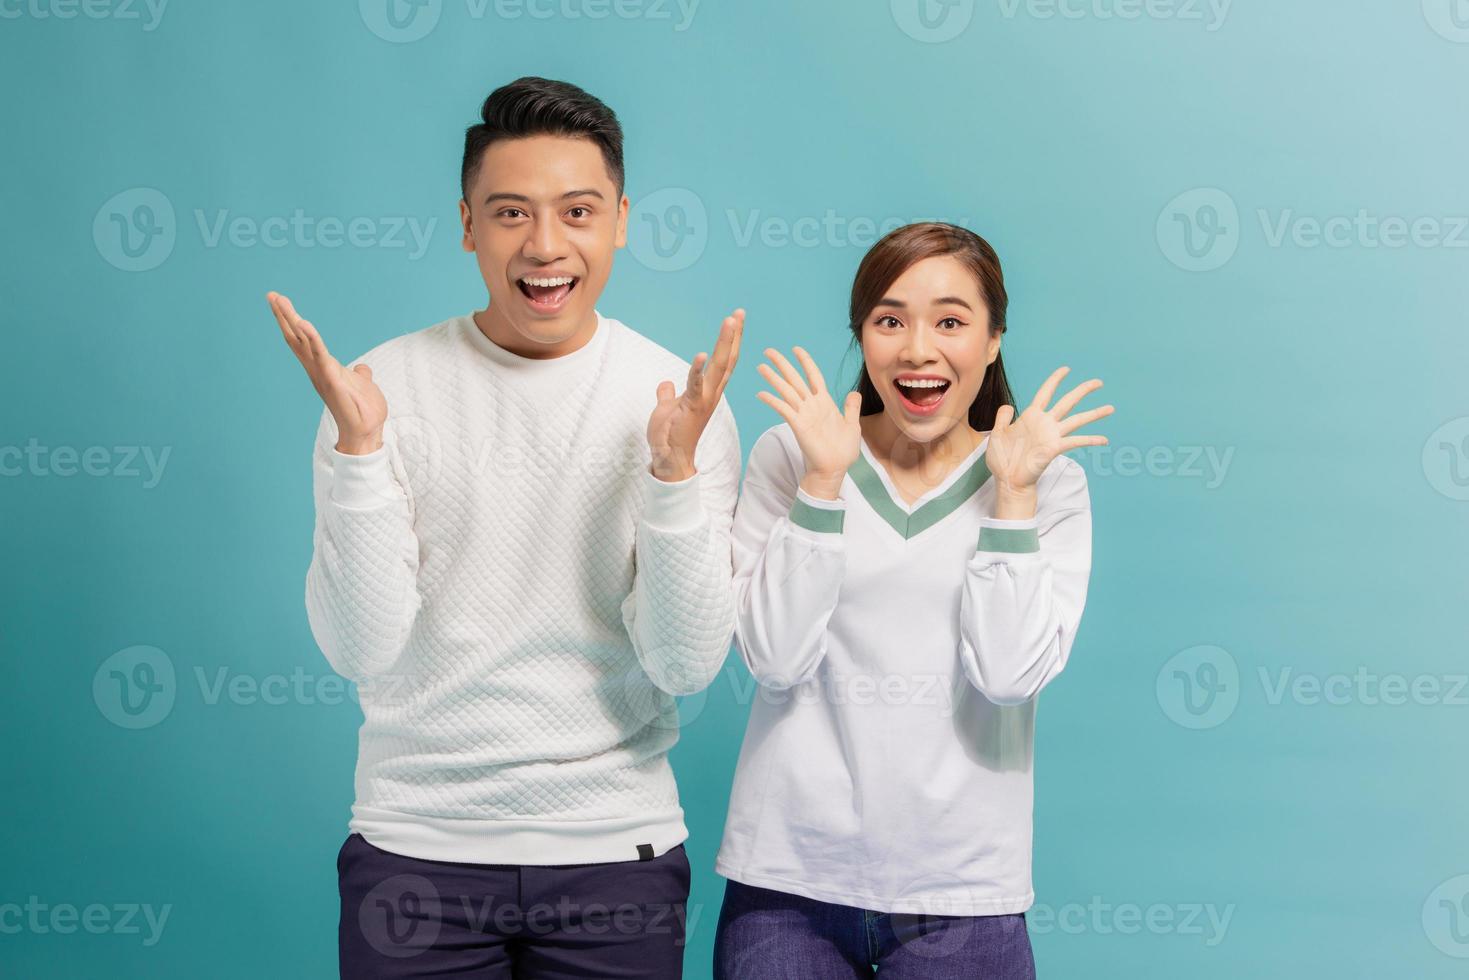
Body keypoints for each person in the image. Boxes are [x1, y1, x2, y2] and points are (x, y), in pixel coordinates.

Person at [267, 76, 744, 979]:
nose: (545, 245)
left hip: (616, 855)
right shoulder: (373, 390)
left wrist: (671, 479)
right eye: (511, 213)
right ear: (467, 225)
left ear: (621, 220)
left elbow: (684, 665)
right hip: (414, 853)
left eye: (576, 211)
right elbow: (362, 649)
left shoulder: (676, 406)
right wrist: (362, 454)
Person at [711, 222, 1113, 978]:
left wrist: (1013, 497)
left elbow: (1007, 676)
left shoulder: (1043, 479)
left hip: (964, 894)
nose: (917, 349)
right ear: (861, 335)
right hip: (786, 885)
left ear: (993, 341)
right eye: (889, 320)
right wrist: (823, 486)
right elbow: (772, 658)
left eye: (951, 322)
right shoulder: (792, 454)